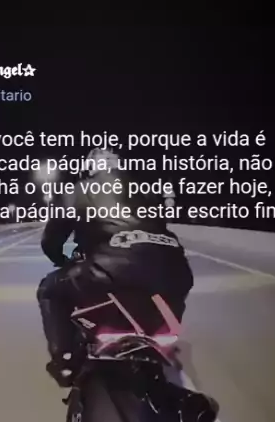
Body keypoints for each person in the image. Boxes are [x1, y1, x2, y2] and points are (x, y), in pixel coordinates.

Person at [36, 149, 194, 386]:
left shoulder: (79, 190)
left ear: (89, 169)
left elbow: (51, 241)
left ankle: (65, 360)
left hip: (111, 269)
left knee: (49, 289)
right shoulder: (145, 191)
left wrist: (62, 260)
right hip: (175, 271)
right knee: (166, 301)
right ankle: (157, 335)